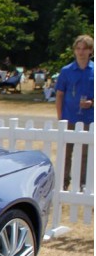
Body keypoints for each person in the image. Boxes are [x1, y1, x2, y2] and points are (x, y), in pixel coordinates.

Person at [55, 34, 94, 190]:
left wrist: (92, 103)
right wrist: (60, 118)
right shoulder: (66, 71)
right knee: (66, 152)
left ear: (91, 51)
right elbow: (59, 95)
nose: (81, 52)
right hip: (69, 117)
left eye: (84, 49)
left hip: (89, 118)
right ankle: (64, 183)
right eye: (78, 48)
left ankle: (83, 184)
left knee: (86, 153)